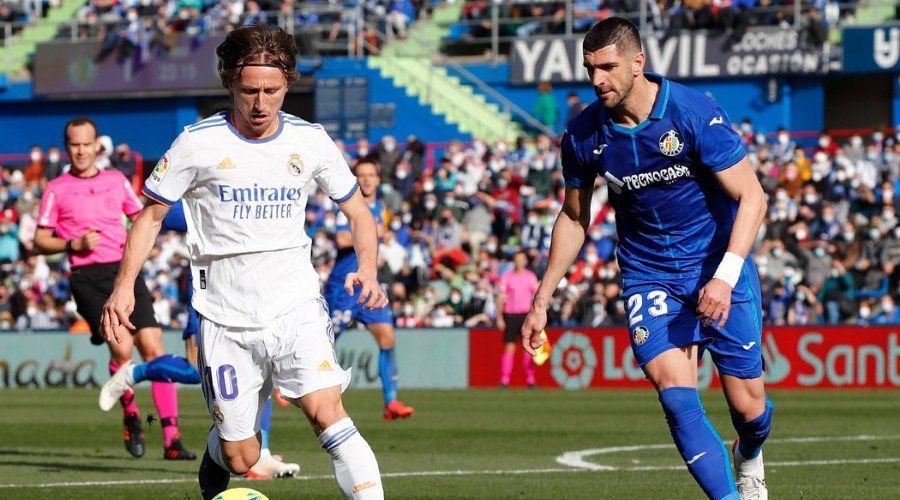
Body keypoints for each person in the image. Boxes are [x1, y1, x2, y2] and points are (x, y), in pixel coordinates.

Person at [101, 25, 384, 499]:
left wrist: (368, 267)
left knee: (326, 411)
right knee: (241, 456)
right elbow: (150, 216)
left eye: (271, 91)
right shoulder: (197, 143)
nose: (259, 103)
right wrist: (124, 285)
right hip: (224, 314)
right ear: (229, 84)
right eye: (249, 90)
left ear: (287, 85)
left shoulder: (310, 140)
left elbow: (357, 210)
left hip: (294, 303)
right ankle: (219, 460)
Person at [521, 18, 772, 500]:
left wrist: (723, 277)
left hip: (717, 268)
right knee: (677, 397)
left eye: (608, 68)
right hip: (648, 275)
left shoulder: (693, 112)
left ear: (638, 63)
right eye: (590, 69)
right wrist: (542, 296)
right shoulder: (582, 134)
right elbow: (575, 218)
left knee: (750, 409)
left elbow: (753, 197)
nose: (597, 80)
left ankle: (750, 451)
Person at [99, 200, 301, 479]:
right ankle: (133, 373)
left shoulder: (256, 185)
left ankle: (262, 453)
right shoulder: (208, 193)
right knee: (196, 370)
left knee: (260, 368)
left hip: (253, 295)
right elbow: (159, 214)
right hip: (211, 296)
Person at [33, 117, 195, 461]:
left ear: (97, 147)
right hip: (88, 277)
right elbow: (38, 240)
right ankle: (133, 416)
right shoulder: (56, 188)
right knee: (123, 352)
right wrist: (72, 243)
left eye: (86, 143)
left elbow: (142, 219)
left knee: (154, 348)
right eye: (74, 144)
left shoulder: (116, 181)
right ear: (67, 148)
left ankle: (172, 439)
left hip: (125, 272)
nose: (80, 150)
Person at [325, 156, 414, 420]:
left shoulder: (381, 206)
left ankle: (391, 402)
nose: (366, 179)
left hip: (369, 284)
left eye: (371, 175)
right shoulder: (348, 204)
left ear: (378, 179)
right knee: (325, 343)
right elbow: (341, 238)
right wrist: (371, 231)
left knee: (387, 337)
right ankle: (291, 385)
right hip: (344, 287)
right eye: (361, 175)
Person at [496, 250, 539, 388]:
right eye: (517, 259)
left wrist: (537, 315)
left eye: (522, 259)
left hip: (526, 316)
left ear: (525, 261)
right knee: (509, 347)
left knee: (527, 348)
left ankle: (530, 379)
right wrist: (499, 317)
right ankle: (505, 380)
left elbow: (537, 297)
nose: (519, 262)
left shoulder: (530, 277)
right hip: (510, 315)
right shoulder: (507, 276)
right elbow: (501, 297)